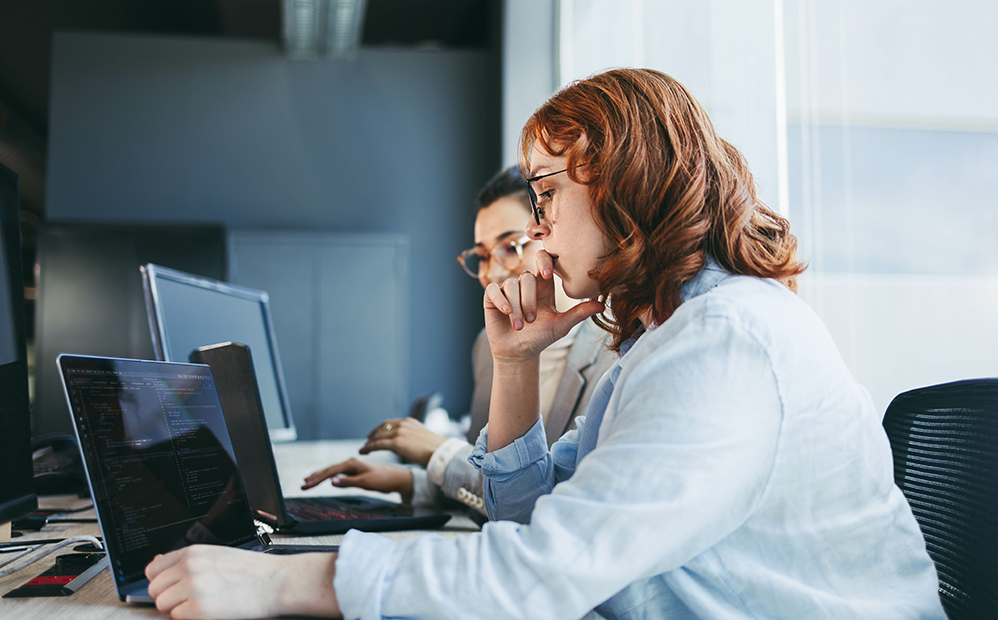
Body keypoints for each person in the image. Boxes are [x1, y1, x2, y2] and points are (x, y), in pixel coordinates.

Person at [144, 68, 945, 619]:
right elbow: (523, 519)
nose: (537, 231)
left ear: (628, 180)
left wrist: (282, 586)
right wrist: (515, 362)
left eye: (548, 195)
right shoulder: (660, 340)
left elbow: (537, 577)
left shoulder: (723, 344)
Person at [300, 167, 616, 518]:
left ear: (550, 234)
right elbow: (493, 486)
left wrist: (438, 451)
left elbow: (552, 508)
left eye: (509, 247)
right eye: (481, 255)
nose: (491, 273)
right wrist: (410, 482)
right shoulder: (488, 347)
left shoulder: (613, 354)